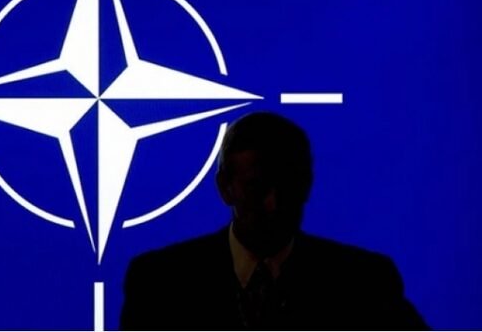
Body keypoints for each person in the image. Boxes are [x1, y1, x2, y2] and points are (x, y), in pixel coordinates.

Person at [120, 112, 427, 330]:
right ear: (226, 188)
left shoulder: (365, 284)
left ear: (307, 184)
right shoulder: (159, 285)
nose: (273, 203)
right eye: (257, 187)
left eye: (288, 186)